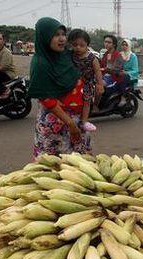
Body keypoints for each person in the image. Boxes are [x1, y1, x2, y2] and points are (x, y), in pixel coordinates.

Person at [28, 17, 91, 156]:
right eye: (56, 35)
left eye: (63, 34)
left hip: (75, 120)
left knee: (81, 170)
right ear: (45, 37)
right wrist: (70, 124)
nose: (62, 39)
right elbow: (47, 98)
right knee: (57, 169)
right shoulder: (41, 63)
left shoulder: (65, 55)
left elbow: (89, 61)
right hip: (56, 124)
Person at [68, 28, 102, 131]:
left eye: (81, 45)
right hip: (72, 84)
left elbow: (97, 71)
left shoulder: (92, 58)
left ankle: (84, 121)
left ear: (87, 45)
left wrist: (100, 84)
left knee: (86, 102)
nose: (78, 48)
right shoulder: (70, 55)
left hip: (86, 84)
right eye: (75, 45)